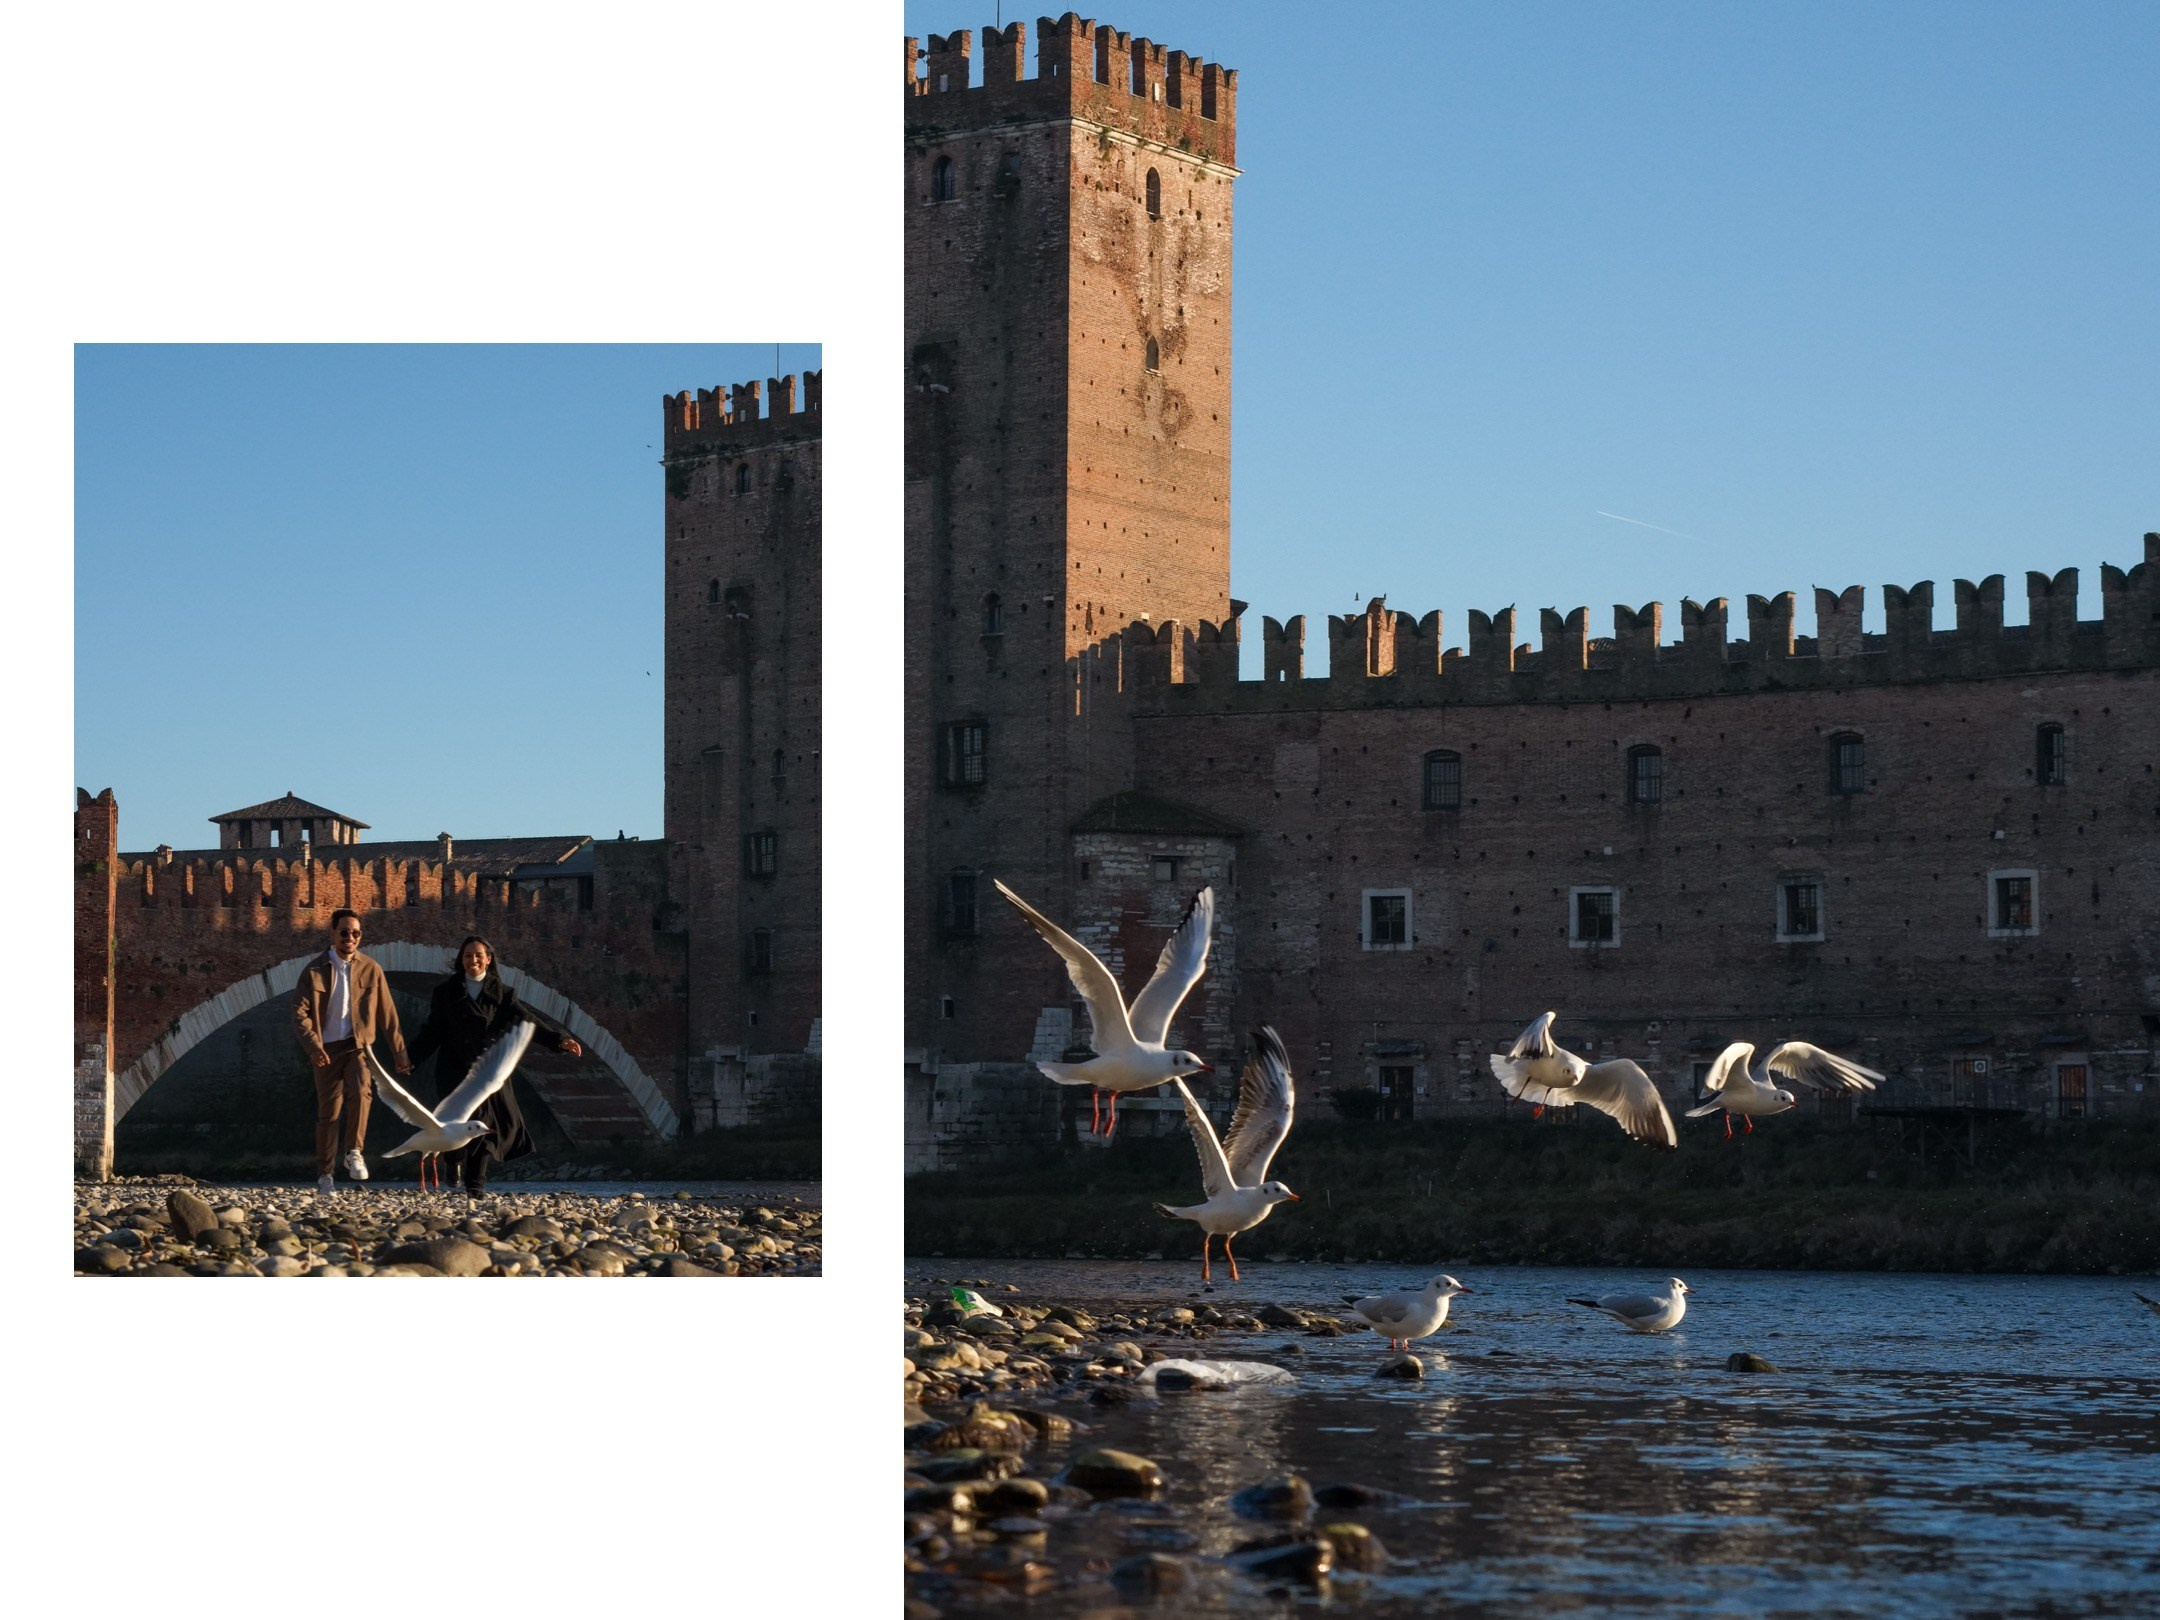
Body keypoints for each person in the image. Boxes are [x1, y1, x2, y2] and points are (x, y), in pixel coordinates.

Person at [405, 935, 582, 1195]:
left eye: (478, 955)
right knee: (456, 1124)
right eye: (467, 955)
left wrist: (558, 1040)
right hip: (453, 1072)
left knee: (483, 1129)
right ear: (461, 960)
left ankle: (475, 1187)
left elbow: (527, 1021)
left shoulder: (503, 994)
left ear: (488, 959)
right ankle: (452, 1161)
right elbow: (432, 1032)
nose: (473, 960)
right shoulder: (445, 993)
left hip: (487, 1072)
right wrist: (411, 1058)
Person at [291, 908, 411, 1196]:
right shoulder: (314, 970)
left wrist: (400, 1053)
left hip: (358, 1045)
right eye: (344, 932)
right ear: (333, 934)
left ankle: (354, 1150)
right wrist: (312, 1046)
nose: (350, 937)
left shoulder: (371, 969)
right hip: (325, 1049)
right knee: (328, 1115)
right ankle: (325, 1175)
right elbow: (299, 1013)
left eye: (356, 933)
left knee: (361, 1091)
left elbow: (388, 1014)